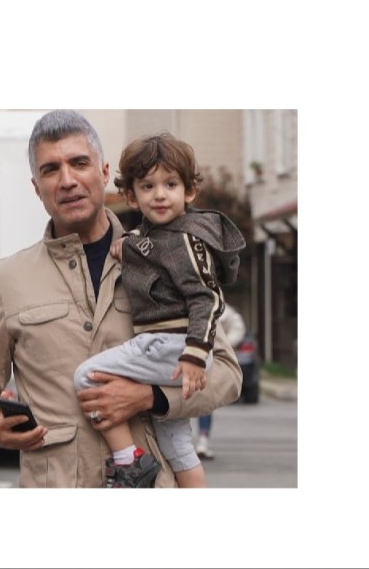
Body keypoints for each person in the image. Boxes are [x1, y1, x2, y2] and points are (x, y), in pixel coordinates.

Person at [0, 110, 243, 488]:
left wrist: (151, 398)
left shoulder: (166, 256)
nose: (68, 180)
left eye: (79, 163)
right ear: (36, 187)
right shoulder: (7, 280)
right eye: (50, 170)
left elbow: (226, 373)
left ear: (104, 173)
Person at [73, 133, 246, 488]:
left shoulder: (187, 239)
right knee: (178, 446)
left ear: (189, 191)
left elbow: (207, 297)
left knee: (87, 376)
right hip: (173, 351)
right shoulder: (158, 236)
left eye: (170, 184)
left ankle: (128, 461)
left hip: (171, 347)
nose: (160, 195)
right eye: (148, 186)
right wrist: (130, 243)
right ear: (131, 196)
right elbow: (153, 250)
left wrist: (195, 355)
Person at [196, 302, 246, 460]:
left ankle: (202, 441)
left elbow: (237, 327)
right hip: (182, 358)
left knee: (204, 401)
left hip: (207, 362)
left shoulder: (222, 309)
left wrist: (220, 345)